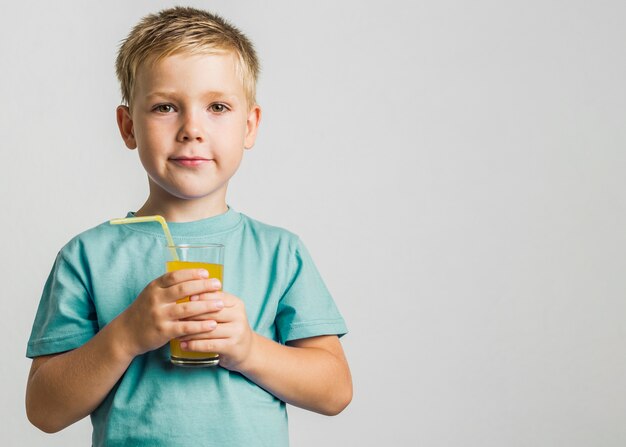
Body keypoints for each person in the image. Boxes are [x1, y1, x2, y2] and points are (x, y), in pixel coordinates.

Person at [25, 6, 352, 446]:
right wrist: (126, 334)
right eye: (165, 107)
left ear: (249, 125)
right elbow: (44, 410)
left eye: (217, 106)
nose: (191, 129)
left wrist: (248, 349)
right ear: (128, 127)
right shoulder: (87, 256)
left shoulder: (280, 252)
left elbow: (334, 390)